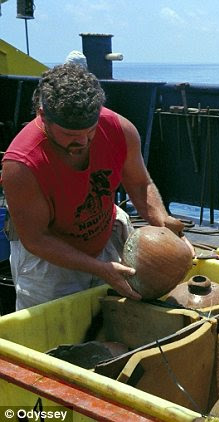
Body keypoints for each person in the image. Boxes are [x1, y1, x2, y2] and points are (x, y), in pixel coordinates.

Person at [1, 63, 193, 310]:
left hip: (103, 234)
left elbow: (139, 183)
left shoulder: (119, 129)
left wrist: (162, 221)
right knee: (55, 337)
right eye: (69, 134)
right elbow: (36, 239)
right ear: (43, 115)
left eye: (90, 131)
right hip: (48, 260)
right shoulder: (21, 165)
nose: (82, 141)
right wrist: (99, 269)